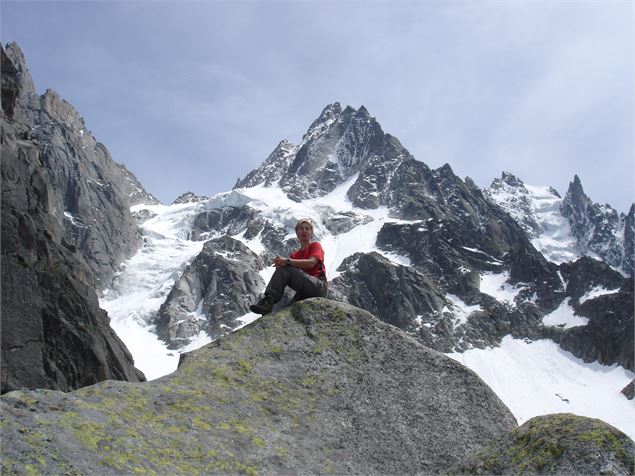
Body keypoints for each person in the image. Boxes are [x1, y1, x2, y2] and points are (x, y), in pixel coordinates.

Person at [250, 218, 328, 315]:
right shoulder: (295, 255)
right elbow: (291, 276)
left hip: (319, 286)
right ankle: (267, 307)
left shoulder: (315, 246)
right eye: (301, 228)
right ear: (297, 233)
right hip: (304, 291)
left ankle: (267, 301)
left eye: (307, 229)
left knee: (285, 268)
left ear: (311, 234)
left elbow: (311, 263)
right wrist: (281, 266)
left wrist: (287, 262)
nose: (304, 230)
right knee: (287, 312)